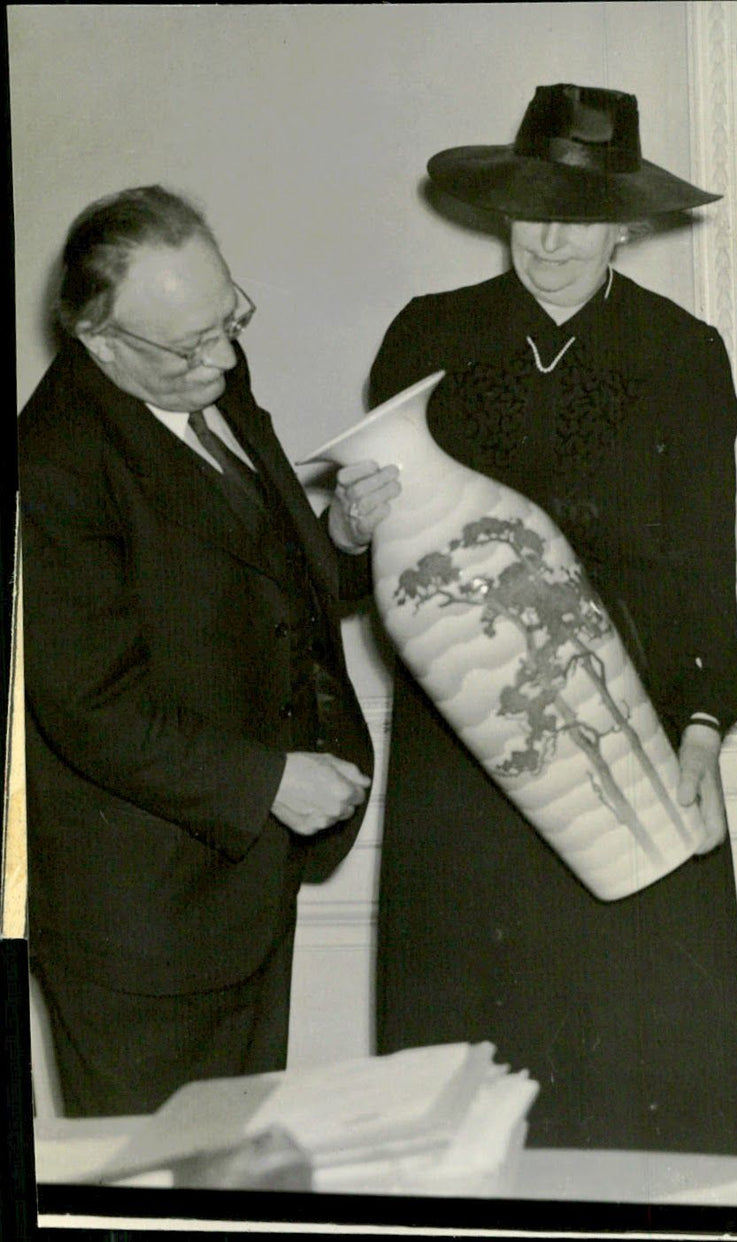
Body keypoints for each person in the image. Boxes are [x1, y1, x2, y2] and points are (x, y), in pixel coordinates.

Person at [328, 85, 737, 1154]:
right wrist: (343, 527)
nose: (550, 240)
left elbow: (706, 574)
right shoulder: (429, 335)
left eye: (578, 213)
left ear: (626, 223)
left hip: (634, 750)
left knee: (641, 1083)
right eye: (529, 211)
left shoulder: (683, 354)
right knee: (469, 1089)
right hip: (463, 774)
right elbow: (358, 573)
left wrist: (699, 727)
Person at [19, 185, 374, 1117]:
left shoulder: (207, 372)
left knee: (243, 1185)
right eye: (189, 345)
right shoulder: (50, 466)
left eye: (231, 318)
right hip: (142, 937)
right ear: (99, 342)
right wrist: (268, 782)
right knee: (160, 1199)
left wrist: (338, 538)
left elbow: (260, 583)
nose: (222, 356)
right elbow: (88, 706)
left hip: (243, 894)